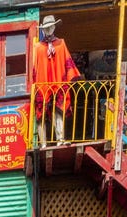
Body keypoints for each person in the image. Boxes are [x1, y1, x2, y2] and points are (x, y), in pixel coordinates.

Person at [32, 15, 82, 147]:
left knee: (59, 111)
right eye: (46, 28)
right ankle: (43, 143)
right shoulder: (37, 47)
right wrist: (34, 83)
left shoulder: (61, 44)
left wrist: (71, 78)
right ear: (43, 29)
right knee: (40, 115)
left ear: (54, 27)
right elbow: (34, 68)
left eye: (50, 27)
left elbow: (67, 63)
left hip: (58, 82)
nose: (48, 29)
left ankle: (60, 139)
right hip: (42, 84)